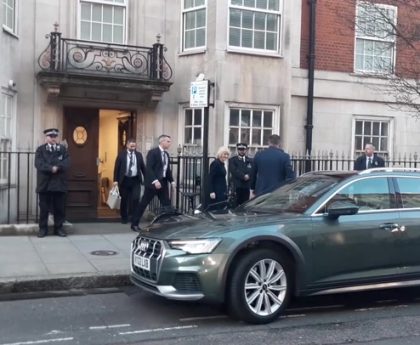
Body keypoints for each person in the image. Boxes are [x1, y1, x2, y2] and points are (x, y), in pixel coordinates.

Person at [130, 134, 175, 231]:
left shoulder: (166, 155)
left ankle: (168, 225)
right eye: (168, 141)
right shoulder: (153, 153)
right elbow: (149, 168)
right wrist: (155, 181)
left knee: (166, 204)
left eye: (170, 141)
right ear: (161, 142)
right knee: (143, 203)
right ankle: (134, 223)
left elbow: (166, 170)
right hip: (152, 184)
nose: (170, 143)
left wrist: (172, 181)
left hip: (163, 183)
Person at [34, 128, 70, 237]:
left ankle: (58, 228)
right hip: (45, 184)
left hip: (59, 184)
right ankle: (43, 229)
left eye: (55, 136)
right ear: (46, 137)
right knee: (44, 209)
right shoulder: (40, 150)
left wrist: (57, 167)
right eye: (51, 136)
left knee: (59, 208)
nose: (53, 138)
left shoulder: (63, 149)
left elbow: (67, 162)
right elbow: (39, 164)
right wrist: (51, 168)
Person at [113, 138, 146, 224]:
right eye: (131, 146)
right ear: (127, 145)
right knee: (124, 199)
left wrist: (147, 178)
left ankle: (133, 217)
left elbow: (143, 168)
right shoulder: (121, 155)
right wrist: (115, 180)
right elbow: (117, 168)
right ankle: (124, 217)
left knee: (135, 198)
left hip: (135, 180)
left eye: (134, 146)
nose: (133, 147)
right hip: (125, 180)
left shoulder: (139, 155)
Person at [229, 143, 253, 207]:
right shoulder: (232, 160)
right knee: (235, 206)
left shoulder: (250, 160)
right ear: (237, 150)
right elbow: (234, 171)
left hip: (246, 186)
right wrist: (243, 176)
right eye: (240, 149)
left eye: (243, 149)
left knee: (245, 205)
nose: (241, 151)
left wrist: (249, 175)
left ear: (246, 150)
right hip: (237, 186)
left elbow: (253, 170)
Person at [208, 146, 230, 210]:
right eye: (224, 154)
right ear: (220, 154)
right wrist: (211, 191)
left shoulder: (222, 164)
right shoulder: (215, 163)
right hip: (216, 191)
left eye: (227, 154)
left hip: (222, 191)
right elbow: (210, 178)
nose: (226, 156)